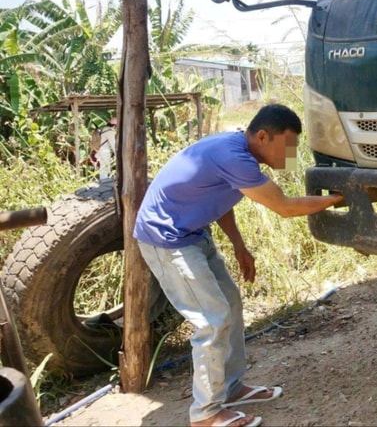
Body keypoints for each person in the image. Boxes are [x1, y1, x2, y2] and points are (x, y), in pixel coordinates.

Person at [134, 103, 344, 427]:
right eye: (287, 147)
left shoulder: (234, 150)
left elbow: (218, 198)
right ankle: (205, 414)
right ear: (262, 136)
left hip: (192, 232)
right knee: (211, 321)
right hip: (168, 239)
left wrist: (238, 245)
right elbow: (285, 208)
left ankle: (230, 389)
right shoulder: (236, 157)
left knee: (229, 303)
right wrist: (340, 198)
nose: (290, 156)